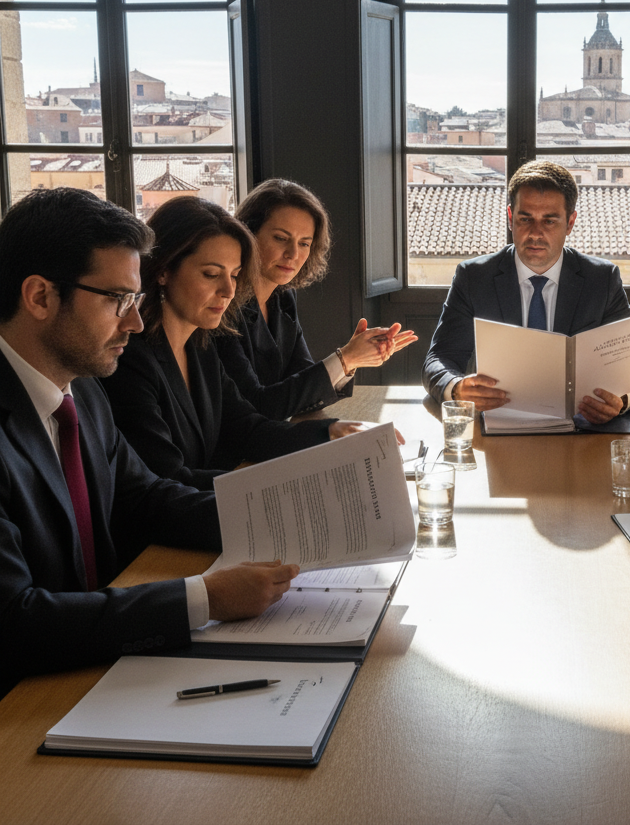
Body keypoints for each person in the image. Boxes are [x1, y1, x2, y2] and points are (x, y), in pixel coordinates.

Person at [0, 187, 298, 694]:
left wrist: (279, 512)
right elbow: (15, 620)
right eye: (118, 299)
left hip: (94, 666)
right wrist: (202, 599)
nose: (136, 321)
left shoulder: (85, 394)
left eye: (135, 299)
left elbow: (144, 496)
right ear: (40, 297)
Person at [101, 196, 368, 491]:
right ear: (163, 270)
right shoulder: (132, 359)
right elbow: (167, 480)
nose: (229, 291)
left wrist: (328, 432)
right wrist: (273, 491)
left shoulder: (200, 345)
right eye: (211, 274)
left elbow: (247, 427)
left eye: (235, 275)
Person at [421, 159, 630, 424]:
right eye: (525, 219)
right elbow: (440, 359)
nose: (535, 233)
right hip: (499, 433)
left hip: (580, 431)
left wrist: (621, 403)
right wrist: (457, 388)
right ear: (510, 218)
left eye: (550, 221)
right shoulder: (474, 277)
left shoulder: (602, 279)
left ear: (570, 222)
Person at [219, 178, 416, 420]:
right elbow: (258, 406)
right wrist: (346, 358)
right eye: (281, 238)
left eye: (304, 243)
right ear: (248, 232)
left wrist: (352, 361)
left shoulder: (283, 298)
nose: (293, 254)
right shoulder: (222, 304)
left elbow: (301, 386)